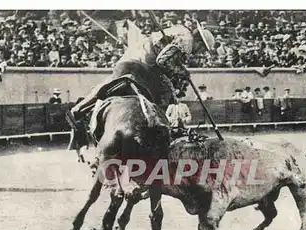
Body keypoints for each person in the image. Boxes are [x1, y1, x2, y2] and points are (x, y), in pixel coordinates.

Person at [68, 21, 215, 154]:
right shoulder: (187, 42)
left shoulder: (179, 31)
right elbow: (162, 61)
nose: (200, 53)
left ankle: (81, 109)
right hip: (143, 69)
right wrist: (181, 71)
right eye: (203, 49)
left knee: (108, 87)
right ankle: (161, 132)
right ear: (200, 42)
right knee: (167, 92)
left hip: (128, 62)